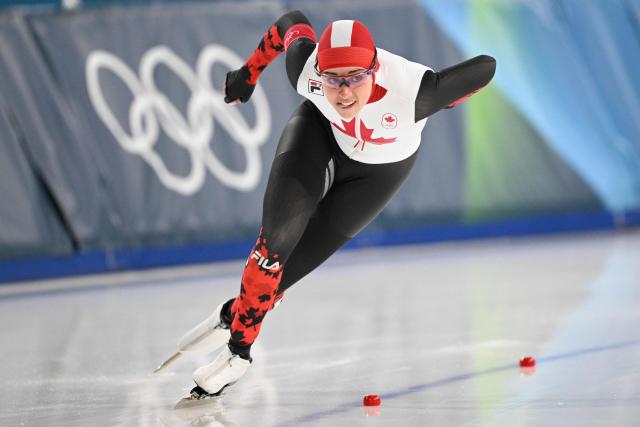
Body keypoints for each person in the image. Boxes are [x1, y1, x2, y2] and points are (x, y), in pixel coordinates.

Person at [177, 10, 496, 399]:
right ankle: (239, 353)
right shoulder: (304, 68)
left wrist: (447, 97)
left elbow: (486, 68)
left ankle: (235, 314)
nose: (344, 93)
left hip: (378, 174)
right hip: (320, 134)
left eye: (356, 79)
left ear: (375, 70)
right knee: (274, 245)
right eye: (332, 80)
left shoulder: (415, 92)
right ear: (318, 73)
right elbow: (289, 23)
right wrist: (248, 74)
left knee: (283, 277)